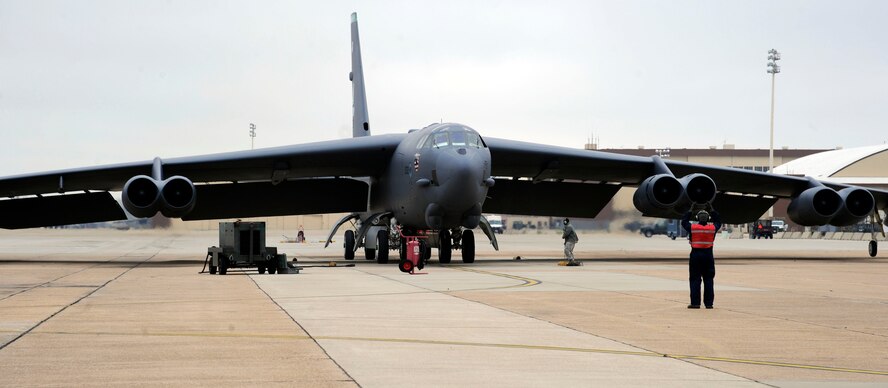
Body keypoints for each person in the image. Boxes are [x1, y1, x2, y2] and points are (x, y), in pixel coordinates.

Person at [681, 208, 721, 309]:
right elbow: (718, 221)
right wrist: (712, 210)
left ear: (697, 218)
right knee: (708, 280)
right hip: (708, 256)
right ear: (708, 219)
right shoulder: (712, 228)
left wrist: (690, 210)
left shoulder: (693, 227)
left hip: (695, 256)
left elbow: (684, 222)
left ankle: (695, 303)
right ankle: (709, 304)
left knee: (695, 280)